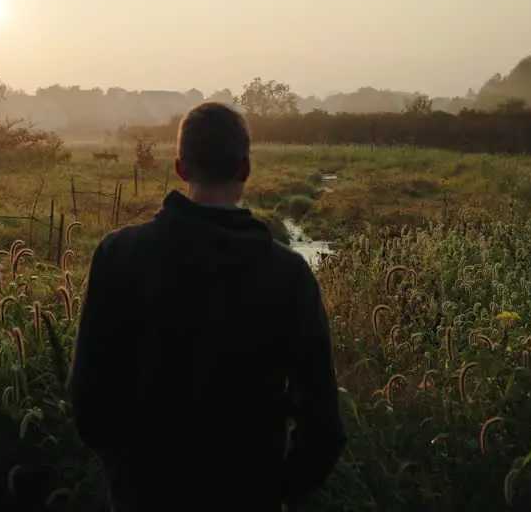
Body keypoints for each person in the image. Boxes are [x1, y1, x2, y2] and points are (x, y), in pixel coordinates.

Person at [67, 101, 347, 511]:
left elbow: (88, 395)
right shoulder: (288, 276)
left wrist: (129, 475)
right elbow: (322, 421)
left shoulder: (119, 255)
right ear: (245, 169)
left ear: (181, 168)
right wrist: (279, 492)